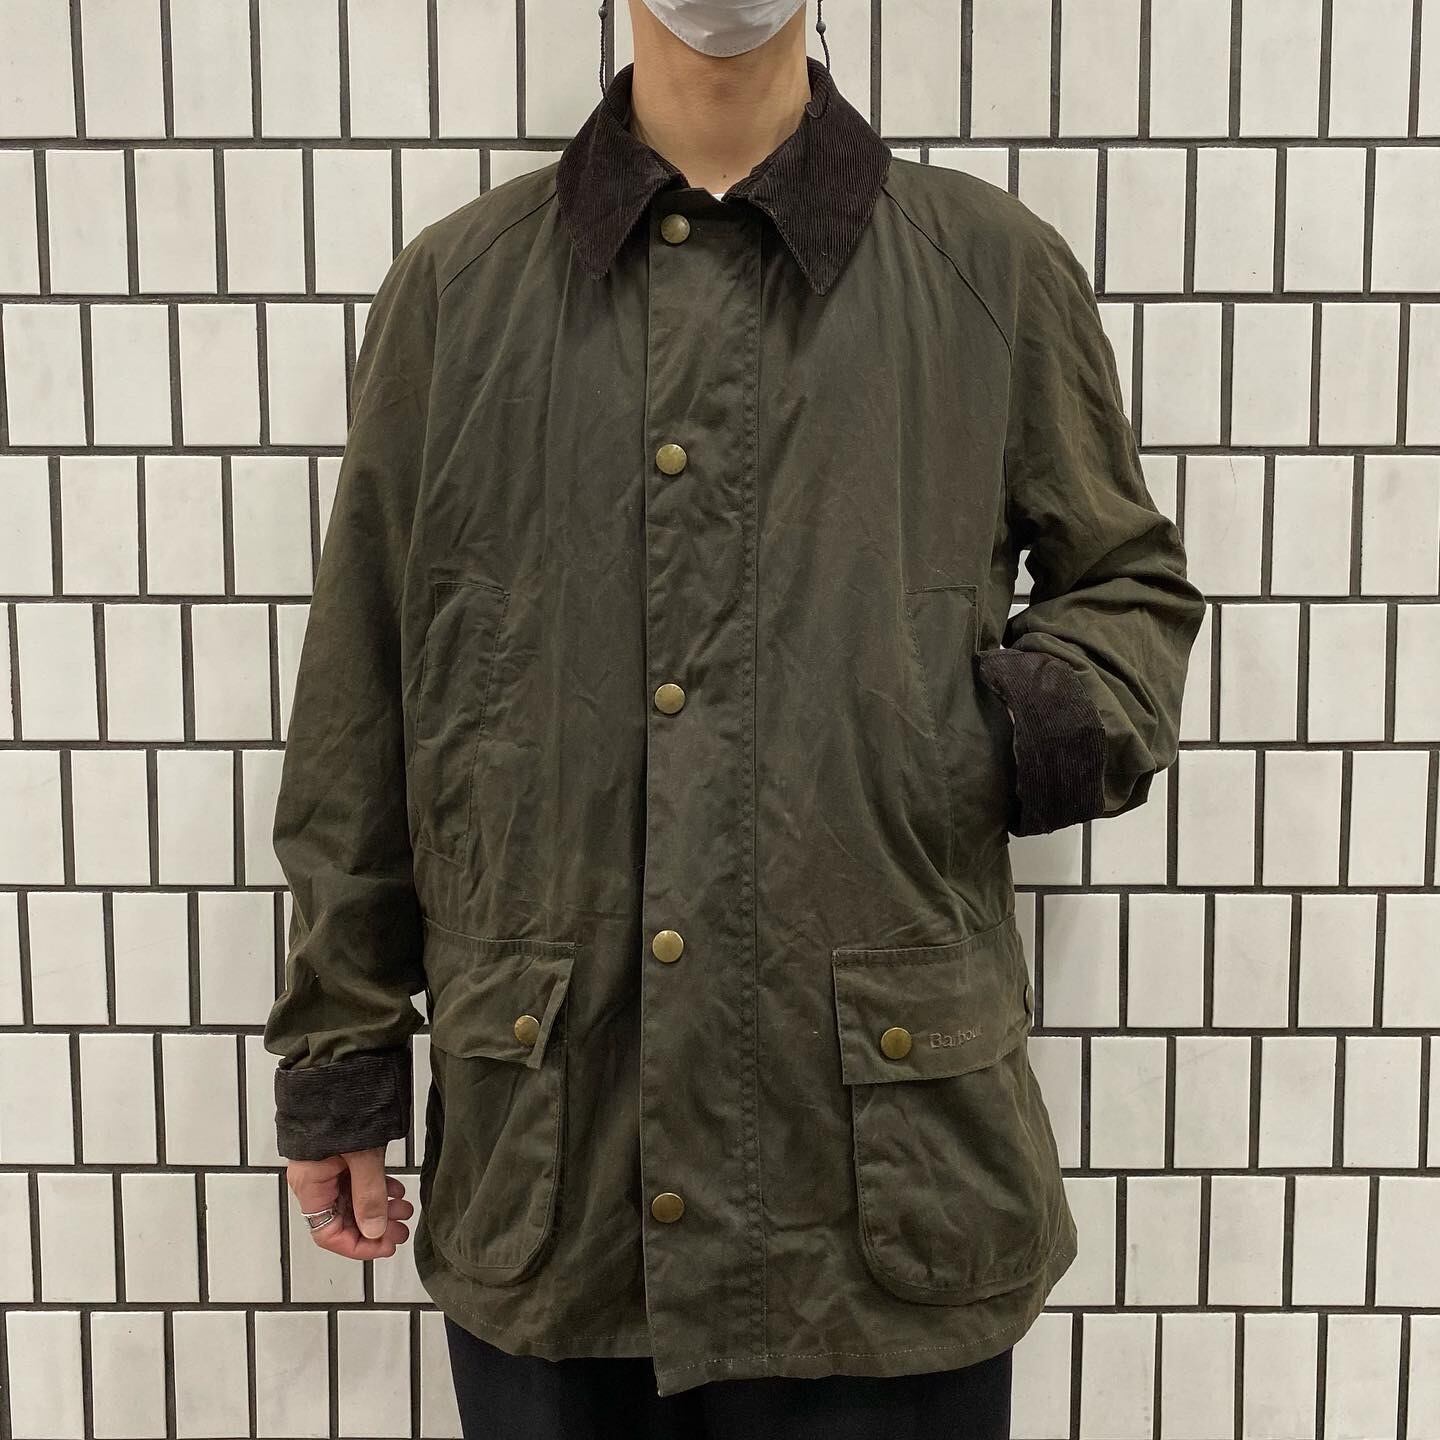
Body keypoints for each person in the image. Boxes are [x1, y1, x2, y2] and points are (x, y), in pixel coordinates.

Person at [263, 1, 1208, 1437]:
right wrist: (340, 1055)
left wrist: (968, 737)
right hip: (560, 1167)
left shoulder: (986, 269)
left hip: (882, 1184)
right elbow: (363, 692)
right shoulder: (460, 292)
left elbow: (1129, 588)